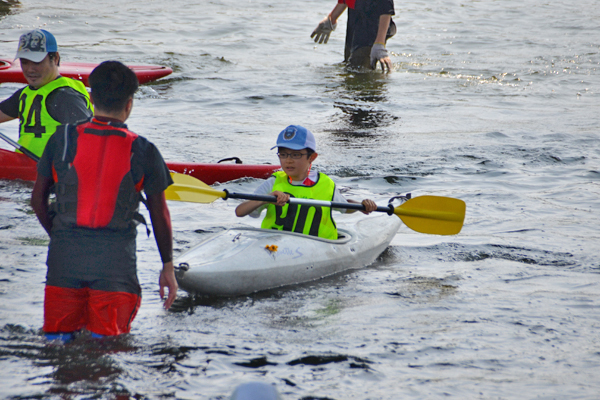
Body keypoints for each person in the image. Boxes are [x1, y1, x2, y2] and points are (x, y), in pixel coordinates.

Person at [30, 61, 177, 343]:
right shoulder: (144, 149)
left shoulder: (60, 139)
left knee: (57, 349)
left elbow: (38, 200)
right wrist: (167, 267)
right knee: (108, 355)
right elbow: (160, 213)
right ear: (130, 104)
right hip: (115, 268)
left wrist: (61, 236)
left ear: (91, 98)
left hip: (64, 263)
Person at [235, 125, 377, 239]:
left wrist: (362, 205)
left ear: (312, 157)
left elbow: (345, 207)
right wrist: (267, 199)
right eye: (283, 154)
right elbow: (240, 212)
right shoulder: (273, 182)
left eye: (296, 155)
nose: (288, 160)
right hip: (275, 247)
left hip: (317, 247)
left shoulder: (325, 183)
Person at [0, 29, 93, 157]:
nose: (29, 69)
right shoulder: (26, 93)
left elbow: (91, 139)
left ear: (55, 58)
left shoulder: (65, 96)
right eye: (24, 62)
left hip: (53, 173)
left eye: (36, 62)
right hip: (28, 171)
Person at [311, 0, 396, 71]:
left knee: (360, 71)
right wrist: (332, 18)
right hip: (355, 24)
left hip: (372, 30)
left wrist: (379, 44)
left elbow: (385, 7)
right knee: (349, 67)